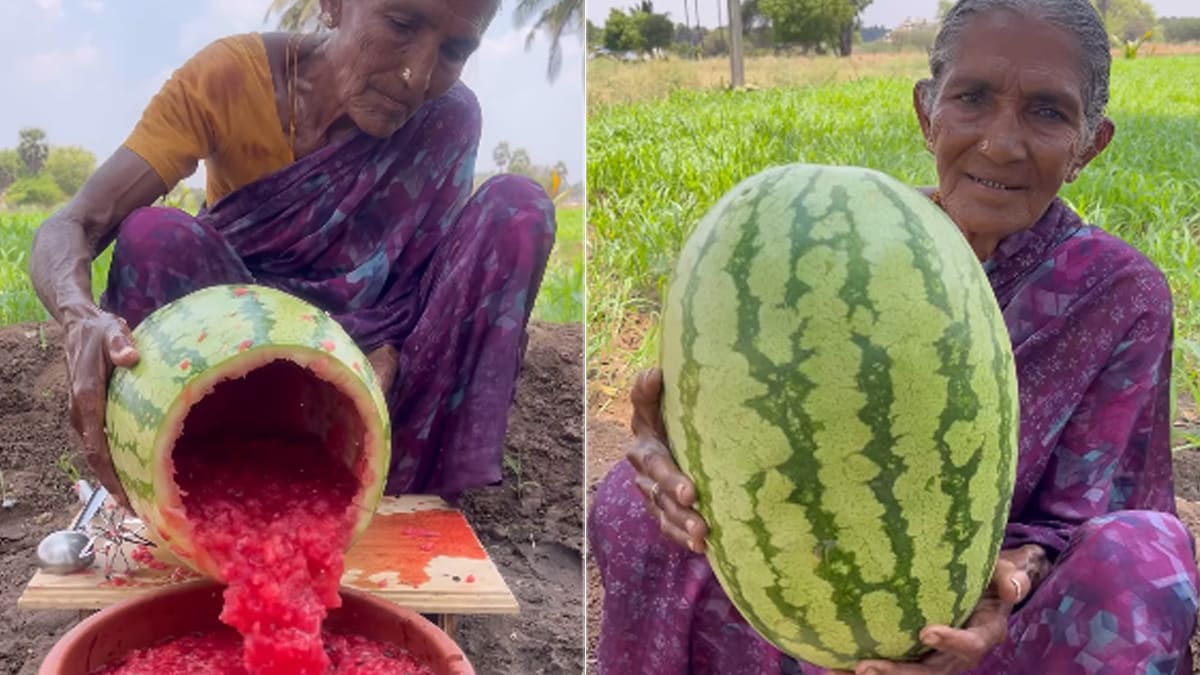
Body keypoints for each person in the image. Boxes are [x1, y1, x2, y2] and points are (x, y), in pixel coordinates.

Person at [588, 1, 1199, 673]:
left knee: (1146, 558)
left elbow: (1089, 515)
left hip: (1004, 634)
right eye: (972, 98)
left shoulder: (1119, 292)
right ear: (925, 113)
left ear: (1091, 144)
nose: (1001, 141)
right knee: (631, 503)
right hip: (808, 610)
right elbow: (753, 445)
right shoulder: (824, 259)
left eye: (1048, 111)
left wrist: (1010, 583)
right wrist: (674, 450)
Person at [28, 0, 556, 509]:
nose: (417, 76)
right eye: (400, 24)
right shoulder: (230, 78)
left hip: (374, 374)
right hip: (237, 361)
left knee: (518, 209)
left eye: (454, 51)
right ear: (334, 3)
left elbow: (418, 279)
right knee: (153, 236)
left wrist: (384, 351)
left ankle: (408, 498)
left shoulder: (448, 115)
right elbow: (74, 222)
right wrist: (80, 316)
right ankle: (184, 482)